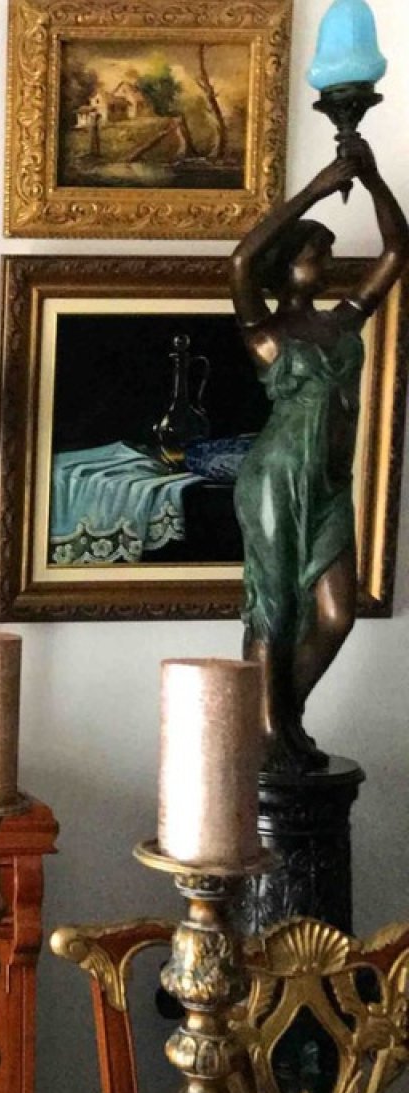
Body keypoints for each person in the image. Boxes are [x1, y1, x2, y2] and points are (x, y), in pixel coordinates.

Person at [229, 138, 406, 771]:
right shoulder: (265, 332)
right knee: (273, 609)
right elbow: (241, 259)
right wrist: (316, 187)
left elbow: (397, 251)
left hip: (329, 483)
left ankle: (281, 717)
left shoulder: (341, 323)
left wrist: (373, 177)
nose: (327, 264)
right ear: (287, 268)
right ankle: (269, 731)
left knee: (336, 613)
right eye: (316, 255)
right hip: (277, 478)